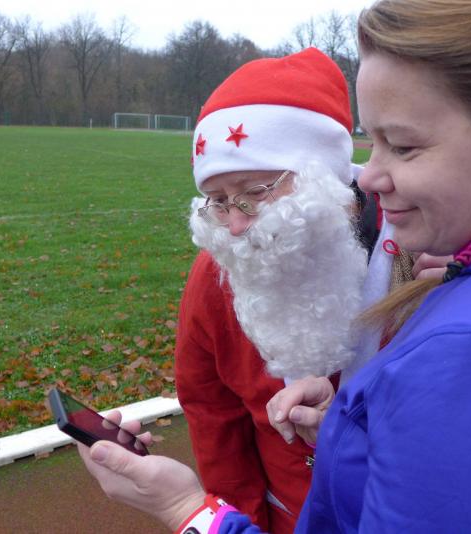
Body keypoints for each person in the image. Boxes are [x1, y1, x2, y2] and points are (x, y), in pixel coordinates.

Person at [78, 1, 471, 532]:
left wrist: (188, 511)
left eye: (404, 145)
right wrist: (351, 421)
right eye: (373, 140)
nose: (367, 177)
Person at [171, 47, 390, 533]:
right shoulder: (216, 273)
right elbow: (211, 410)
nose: (235, 227)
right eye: (219, 201)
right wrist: (242, 518)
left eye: (255, 193)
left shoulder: (416, 253)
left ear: (321, 175)